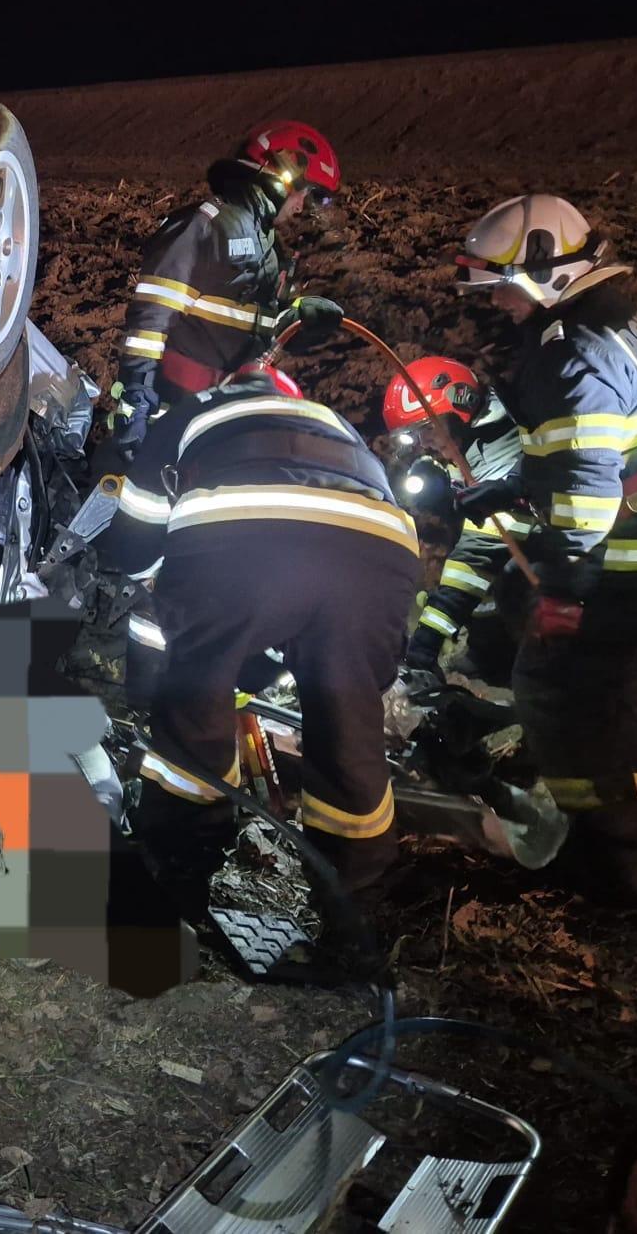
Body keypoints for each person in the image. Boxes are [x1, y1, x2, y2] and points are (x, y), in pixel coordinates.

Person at [452, 194, 637, 906]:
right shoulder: (611, 321)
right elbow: (585, 447)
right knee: (599, 687)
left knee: (560, 695)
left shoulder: (568, 349)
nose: (500, 305)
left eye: (503, 289)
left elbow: (586, 478)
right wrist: (511, 487)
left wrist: (565, 591)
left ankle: (619, 871)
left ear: (544, 273)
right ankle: (614, 815)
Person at [99, 362, 423, 962]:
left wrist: (168, 664)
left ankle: (177, 886)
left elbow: (137, 535)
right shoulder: (332, 423)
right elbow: (310, 578)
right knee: (348, 727)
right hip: (384, 552)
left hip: (243, 536)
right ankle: (356, 913)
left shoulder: (193, 411)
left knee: (193, 713)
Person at [103, 121, 342, 458]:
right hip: (175, 413)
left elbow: (257, 328)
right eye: (303, 193)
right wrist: (136, 401)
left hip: (226, 416)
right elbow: (150, 319)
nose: (301, 207)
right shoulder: (203, 226)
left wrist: (300, 319)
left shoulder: (270, 249)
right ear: (281, 175)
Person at [377, 354, 530, 694]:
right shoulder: (477, 443)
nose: (423, 444)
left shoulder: (504, 447)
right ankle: (489, 655)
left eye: (426, 429)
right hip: (541, 559)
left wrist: (426, 641)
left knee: (510, 583)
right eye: (414, 437)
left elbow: (478, 553)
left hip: (579, 564)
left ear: (461, 404)